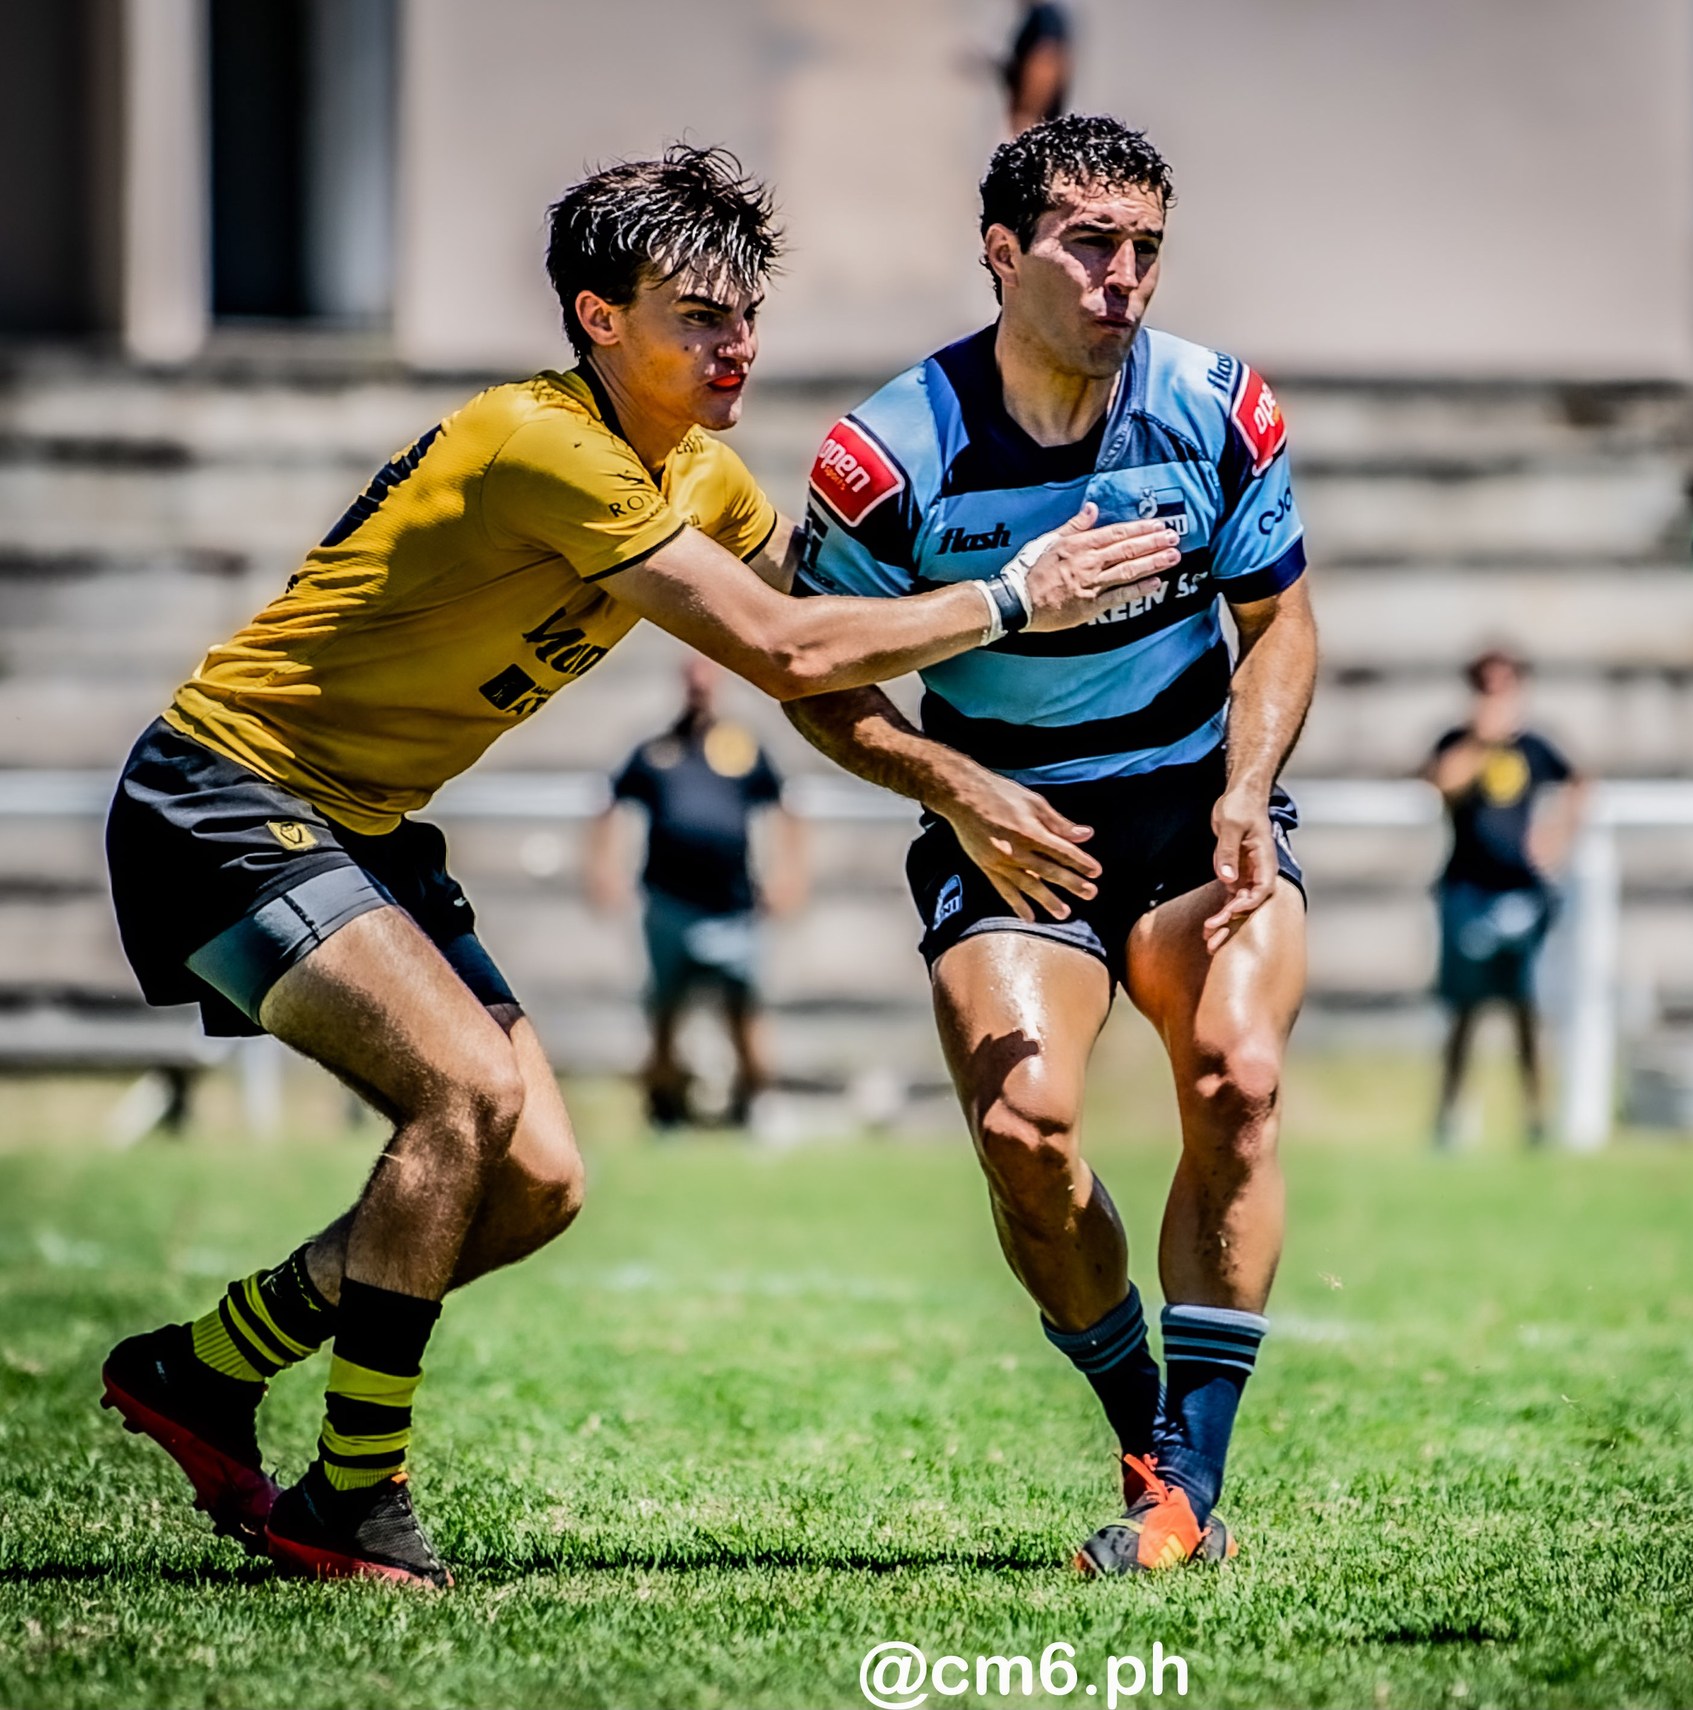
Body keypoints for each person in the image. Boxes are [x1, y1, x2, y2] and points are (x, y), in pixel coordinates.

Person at [95, 144, 1182, 1587]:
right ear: (598, 321)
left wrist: (955, 764)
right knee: (466, 1094)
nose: (735, 347)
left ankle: (204, 1366)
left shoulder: (707, 483)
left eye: (746, 316)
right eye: (696, 318)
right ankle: (349, 1497)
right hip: (223, 796)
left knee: (536, 1177)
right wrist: (1006, 594)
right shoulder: (542, 444)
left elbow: (824, 657)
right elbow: (791, 648)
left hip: (356, 820)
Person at [784, 115, 1317, 1576]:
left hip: (1197, 803)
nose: (1123, 276)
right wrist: (951, 784)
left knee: (1239, 1073)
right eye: (1091, 242)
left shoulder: (1218, 410)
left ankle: (1185, 1488)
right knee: (1026, 1135)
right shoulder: (886, 458)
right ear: (1003, 251)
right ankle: (1151, 1435)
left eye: (1145, 247)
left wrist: (1244, 781)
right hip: (1009, 814)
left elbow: (1282, 624)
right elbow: (813, 671)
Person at [588, 655, 806, 1129]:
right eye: (693, 682)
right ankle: (664, 1109)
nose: (700, 691)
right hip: (668, 904)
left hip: (734, 906)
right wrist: (605, 869)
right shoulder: (656, 751)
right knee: (666, 1014)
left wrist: (788, 874)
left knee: (743, 1011)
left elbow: (785, 806)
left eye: (708, 682)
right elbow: (610, 802)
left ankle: (758, 1106)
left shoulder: (742, 748)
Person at [1422, 649, 1585, 1151]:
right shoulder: (1457, 743)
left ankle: (1537, 1121)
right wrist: (1480, 741)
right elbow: (1440, 784)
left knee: (1527, 1014)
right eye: (1486, 687)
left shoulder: (1536, 746)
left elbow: (1581, 783)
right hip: (1467, 891)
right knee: (1463, 1015)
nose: (1495, 697)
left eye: (1504, 686)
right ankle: (1450, 1122)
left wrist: (1557, 834)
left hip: (1525, 895)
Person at [1000, 2, 1072, 137]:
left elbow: (1045, 64)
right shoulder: (1041, 17)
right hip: (1037, 121)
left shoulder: (1044, 16)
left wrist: (1027, 113)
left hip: (1036, 121)